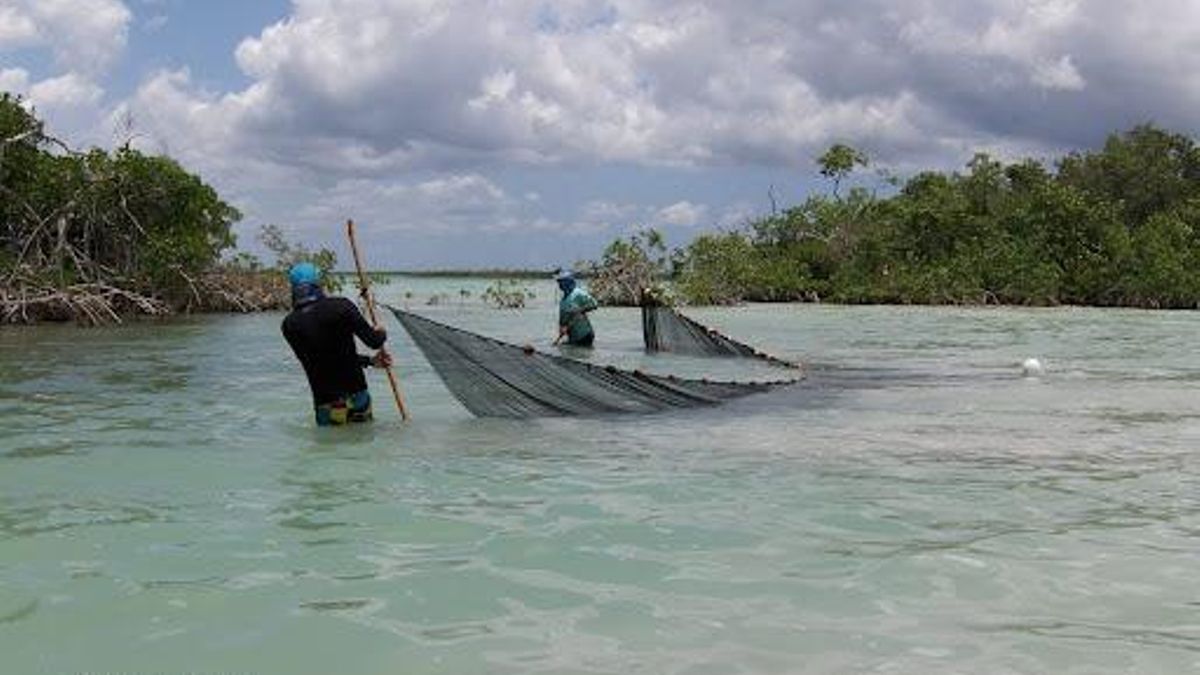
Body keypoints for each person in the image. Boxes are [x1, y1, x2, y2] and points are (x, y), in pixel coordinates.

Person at [281, 262, 391, 426]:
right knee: (363, 444)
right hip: (357, 398)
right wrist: (381, 332)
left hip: (326, 404)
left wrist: (370, 361)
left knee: (331, 449)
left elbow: (320, 360)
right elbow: (374, 342)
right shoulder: (342, 307)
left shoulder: (289, 325)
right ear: (318, 283)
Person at [555, 269, 598, 347]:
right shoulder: (563, 300)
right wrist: (561, 328)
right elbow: (563, 317)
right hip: (573, 335)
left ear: (568, 282)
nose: (560, 285)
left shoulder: (578, 293)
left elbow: (594, 304)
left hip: (584, 334)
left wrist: (580, 310)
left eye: (562, 282)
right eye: (559, 282)